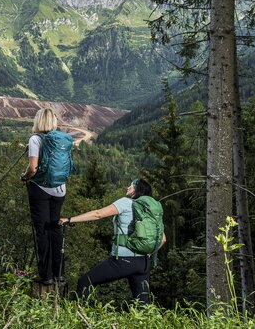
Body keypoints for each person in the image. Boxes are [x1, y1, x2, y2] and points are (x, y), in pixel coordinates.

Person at [60, 179, 166, 304]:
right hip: (143, 263)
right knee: (143, 305)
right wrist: (149, 252)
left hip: (122, 261)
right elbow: (163, 239)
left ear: (137, 190)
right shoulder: (150, 211)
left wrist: (69, 219)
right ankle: (145, 323)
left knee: (85, 281)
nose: (128, 187)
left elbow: (98, 214)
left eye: (131, 186)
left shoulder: (125, 203)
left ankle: (75, 317)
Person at [20, 107, 73, 285]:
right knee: (55, 228)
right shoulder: (61, 139)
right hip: (60, 189)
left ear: (38, 121)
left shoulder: (35, 139)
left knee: (42, 231)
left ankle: (46, 275)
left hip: (41, 189)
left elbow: (33, 168)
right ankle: (59, 273)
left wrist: (24, 176)